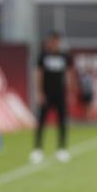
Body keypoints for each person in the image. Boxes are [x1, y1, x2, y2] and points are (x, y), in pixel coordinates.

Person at [31, 31, 74, 163]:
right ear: (49, 42)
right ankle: (37, 149)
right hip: (46, 93)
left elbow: (68, 74)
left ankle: (62, 149)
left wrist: (70, 91)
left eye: (56, 41)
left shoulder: (64, 56)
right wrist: (39, 92)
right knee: (41, 121)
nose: (54, 43)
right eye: (52, 41)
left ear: (58, 42)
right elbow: (39, 74)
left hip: (60, 93)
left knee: (62, 121)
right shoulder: (43, 56)